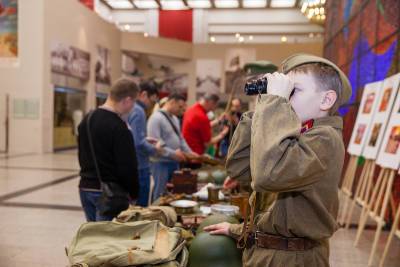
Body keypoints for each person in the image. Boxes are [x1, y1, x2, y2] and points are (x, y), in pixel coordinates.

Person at [204, 54, 352, 267]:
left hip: (292, 258)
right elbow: (240, 169)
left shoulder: (325, 138)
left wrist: (276, 103)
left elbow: (267, 176)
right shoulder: (296, 132)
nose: (285, 96)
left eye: (295, 90)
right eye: (285, 91)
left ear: (326, 100)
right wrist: (263, 105)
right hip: (268, 251)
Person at [78, 78, 139, 221]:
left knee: (93, 235)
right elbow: (127, 167)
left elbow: (82, 154)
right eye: (133, 103)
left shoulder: (87, 119)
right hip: (109, 193)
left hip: (85, 187)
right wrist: (134, 194)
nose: (132, 107)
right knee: (107, 240)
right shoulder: (120, 127)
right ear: (127, 100)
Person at [147, 94, 198, 200]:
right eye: (179, 107)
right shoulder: (156, 118)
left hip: (174, 162)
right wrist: (172, 154)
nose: (181, 110)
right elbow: (154, 143)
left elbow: (180, 139)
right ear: (172, 102)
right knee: (160, 194)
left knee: (173, 194)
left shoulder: (174, 118)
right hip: (160, 163)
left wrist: (190, 153)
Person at [127, 81, 163, 207]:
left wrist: (144, 139)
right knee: (140, 208)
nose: (152, 106)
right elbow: (137, 143)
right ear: (143, 94)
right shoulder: (139, 110)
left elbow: (132, 137)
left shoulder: (130, 108)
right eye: (152, 102)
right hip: (140, 166)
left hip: (132, 164)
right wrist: (154, 149)